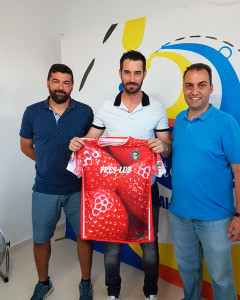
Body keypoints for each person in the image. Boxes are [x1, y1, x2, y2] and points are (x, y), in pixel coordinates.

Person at [70, 50, 172, 300]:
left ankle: (151, 293)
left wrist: (163, 147)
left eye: (137, 72)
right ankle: (112, 293)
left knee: (149, 247)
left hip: (145, 188)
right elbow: (90, 141)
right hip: (112, 188)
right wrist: (78, 145)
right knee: (112, 247)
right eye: (127, 72)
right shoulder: (106, 107)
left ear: (144, 74)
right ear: (120, 73)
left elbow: (167, 148)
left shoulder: (156, 108)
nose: (132, 77)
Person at [168, 63, 240, 300]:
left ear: (211, 88)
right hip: (179, 215)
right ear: (183, 88)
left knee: (222, 278)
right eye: (189, 85)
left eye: (201, 85)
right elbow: (182, 153)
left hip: (215, 219)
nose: (195, 91)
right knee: (188, 273)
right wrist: (163, 146)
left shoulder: (226, 122)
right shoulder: (180, 120)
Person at [20, 64, 94, 300]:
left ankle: (85, 282)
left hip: (77, 188)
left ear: (72, 85)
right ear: (48, 82)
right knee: (41, 240)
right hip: (44, 188)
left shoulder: (84, 112)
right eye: (56, 81)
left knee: (84, 237)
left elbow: (92, 148)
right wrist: (44, 163)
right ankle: (43, 282)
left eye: (66, 82)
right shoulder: (32, 112)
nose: (61, 87)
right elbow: (26, 146)